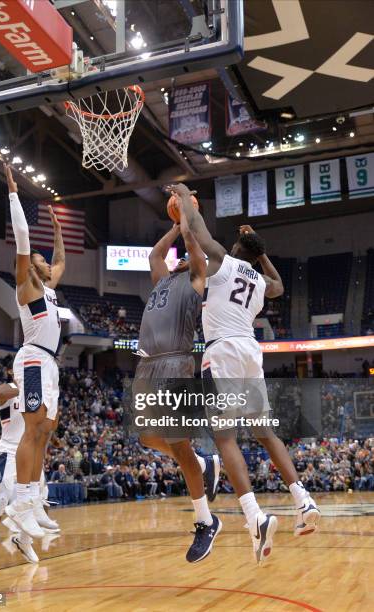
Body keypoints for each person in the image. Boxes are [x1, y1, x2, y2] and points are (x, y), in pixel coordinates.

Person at [170, 183, 320, 563]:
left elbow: (199, 230)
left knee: (225, 439)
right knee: (266, 433)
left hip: (222, 351)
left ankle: (254, 515)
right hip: (251, 352)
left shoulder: (222, 258)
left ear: (238, 249)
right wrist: (262, 252)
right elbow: (280, 286)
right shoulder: (259, 281)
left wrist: (186, 197)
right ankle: (302, 498)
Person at [132, 213, 221, 563]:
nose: (183, 257)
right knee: (147, 438)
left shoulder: (197, 279)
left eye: (187, 254)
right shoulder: (162, 281)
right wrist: (171, 225)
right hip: (147, 365)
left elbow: (194, 249)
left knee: (176, 441)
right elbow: (155, 256)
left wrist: (185, 220)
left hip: (176, 361)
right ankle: (203, 461)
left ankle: (205, 519)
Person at [3, 164, 65, 538]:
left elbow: (60, 261)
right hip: (32, 358)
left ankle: (35, 498)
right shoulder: (26, 284)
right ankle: (21, 502)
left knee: (45, 431)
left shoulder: (50, 286)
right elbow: (24, 236)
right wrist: (13, 192)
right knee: (31, 429)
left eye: (42, 260)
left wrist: (59, 232)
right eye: (38, 258)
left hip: (50, 362)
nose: (42, 260)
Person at [0, 382, 59, 578]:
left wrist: (53, 396)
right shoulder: (10, 387)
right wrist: (29, 388)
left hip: (30, 453)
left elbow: (51, 425)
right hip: (9, 451)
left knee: (39, 499)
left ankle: (23, 540)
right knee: (1, 500)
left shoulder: (43, 390)